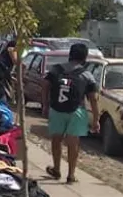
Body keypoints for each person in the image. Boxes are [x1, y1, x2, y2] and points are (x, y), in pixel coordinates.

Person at [43, 43, 100, 184]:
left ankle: (56, 169)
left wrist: (45, 104)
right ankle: (71, 174)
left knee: (56, 140)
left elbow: (44, 85)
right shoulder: (87, 75)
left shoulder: (55, 70)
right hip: (77, 111)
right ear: (84, 57)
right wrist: (96, 119)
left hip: (56, 110)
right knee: (73, 143)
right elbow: (93, 99)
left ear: (70, 54)